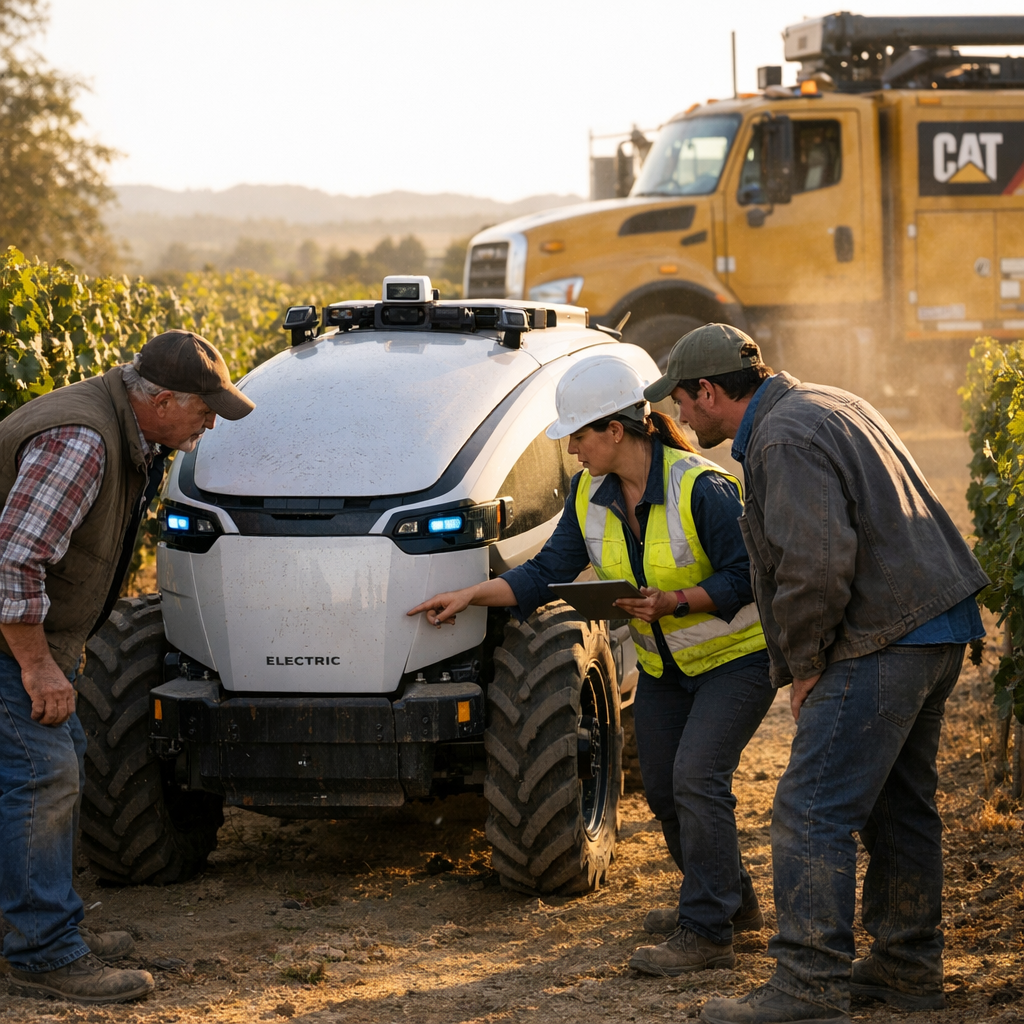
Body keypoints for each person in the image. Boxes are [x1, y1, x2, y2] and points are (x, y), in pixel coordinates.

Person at [641, 325, 988, 1024]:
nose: (677, 420)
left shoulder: (781, 439)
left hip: (883, 636)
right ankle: (905, 965)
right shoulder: (829, 402)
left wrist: (805, 666)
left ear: (708, 391)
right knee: (899, 808)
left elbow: (815, 565)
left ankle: (808, 986)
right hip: (935, 625)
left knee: (808, 812)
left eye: (680, 402)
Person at [408, 353, 775, 976]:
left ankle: (708, 932)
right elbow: (547, 574)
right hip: (666, 668)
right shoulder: (589, 495)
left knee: (696, 778)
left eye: (578, 434)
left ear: (615, 430)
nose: (571, 448)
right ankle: (728, 900)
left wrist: (674, 602)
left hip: (736, 661)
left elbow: (750, 578)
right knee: (661, 787)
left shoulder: (702, 487)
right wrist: (473, 594)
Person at [0, 330, 255, 1005]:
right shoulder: (82, 439)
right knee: (42, 780)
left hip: (28, 627)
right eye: (204, 408)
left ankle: (38, 925)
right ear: (163, 399)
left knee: (57, 764)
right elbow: (14, 563)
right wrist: (36, 667)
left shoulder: (124, 430)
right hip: (11, 630)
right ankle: (43, 954)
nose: (209, 423)